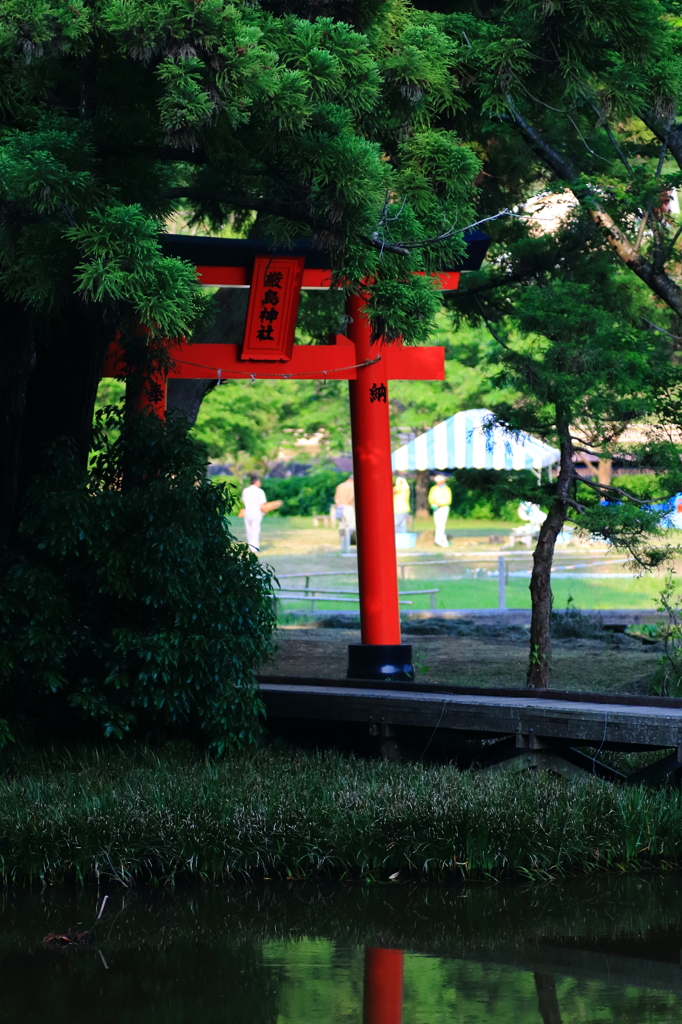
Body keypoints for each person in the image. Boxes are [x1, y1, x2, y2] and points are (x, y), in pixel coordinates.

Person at [240, 473, 268, 552]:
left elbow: (244, 502)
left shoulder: (245, 490)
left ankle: (250, 546)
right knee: (255, 530)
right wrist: (266, 510)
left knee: (249, 530)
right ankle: (254, 548)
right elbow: (261, 505)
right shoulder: (260, 491)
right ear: (256, 481)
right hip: (256, 513)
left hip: (248, 512)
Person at [428, 473, 452, 547]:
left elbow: (448, 500)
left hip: (444, 508)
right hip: (436, 508)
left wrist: (440, 504)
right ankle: (443, 541)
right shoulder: (434, 488)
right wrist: (433, 503)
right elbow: (431, 498)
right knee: (438, 524)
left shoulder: (447, 489)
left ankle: (438, 541)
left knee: (441, 524)